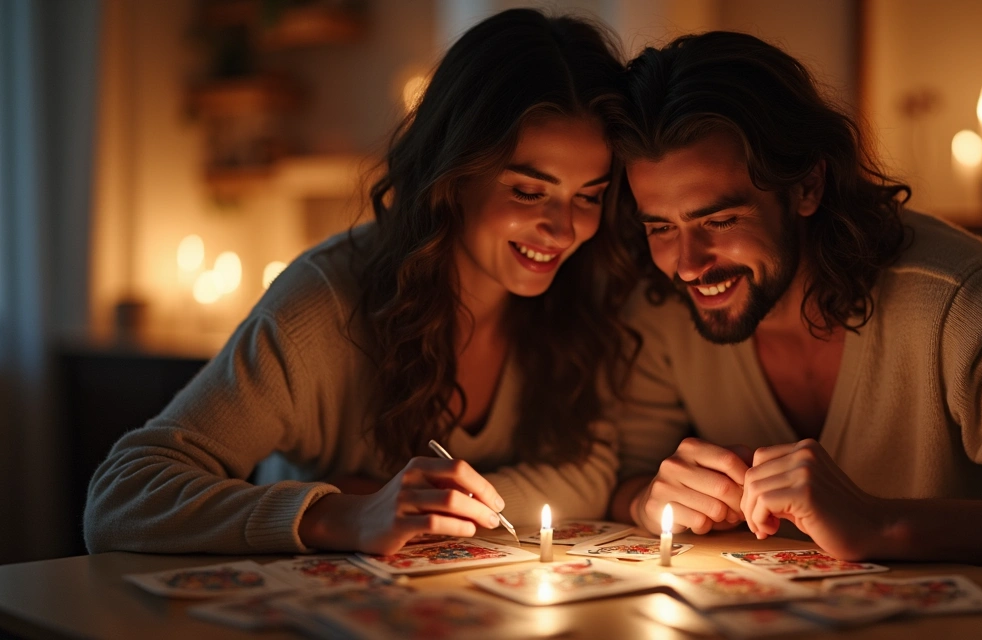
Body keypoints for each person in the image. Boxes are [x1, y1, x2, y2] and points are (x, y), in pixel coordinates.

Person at [605, 31, 982, 589]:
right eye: (660, 226)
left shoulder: (955, 300)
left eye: (719, 221)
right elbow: (621, 478)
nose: (685, 264)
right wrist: (652, 499)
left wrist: (882, 523)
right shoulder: (663, 309)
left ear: (806, 187)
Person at [84, 9, 638, 556]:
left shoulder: (579, 290)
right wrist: (341, 513)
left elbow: (589, 473)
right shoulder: (326, 301)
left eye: (588, 196)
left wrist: (412, 503)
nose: (565, 229)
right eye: (527, 191)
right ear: (453, 174)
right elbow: (121, 499)